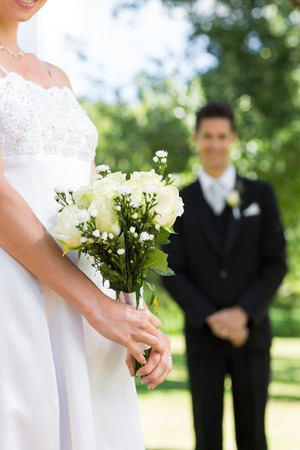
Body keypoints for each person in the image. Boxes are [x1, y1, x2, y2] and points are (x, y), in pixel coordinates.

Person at [0, 1, 172, 449]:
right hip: (15, 294)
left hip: (87, 305)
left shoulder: (60, 78)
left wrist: (128, 305)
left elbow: (93, 203)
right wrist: (97, 307)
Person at [163, 102, 287, 450]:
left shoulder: (261, 194)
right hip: (204, 336)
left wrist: (242, 313)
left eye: (221, 136)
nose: (214, 144)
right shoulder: (177, 201)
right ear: (195, 139)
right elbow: (172, 270)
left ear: (232, 138)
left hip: (252, 333)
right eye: (207, 136)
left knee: (253, 436)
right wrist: (211, 317)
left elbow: (276, 262)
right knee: (206, 436)